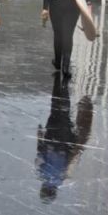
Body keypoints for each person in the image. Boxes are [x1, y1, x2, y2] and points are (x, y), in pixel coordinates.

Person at [36, 75, 93, 203]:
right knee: (55, 110)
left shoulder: (62, 177)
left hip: (65, 142)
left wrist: (77, 140)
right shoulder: (42, 174)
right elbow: (40, 153)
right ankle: (59, 85)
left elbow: (72, 157)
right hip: (51, 138)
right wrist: (40, 136)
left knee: (65, 115)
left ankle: (64, 87)